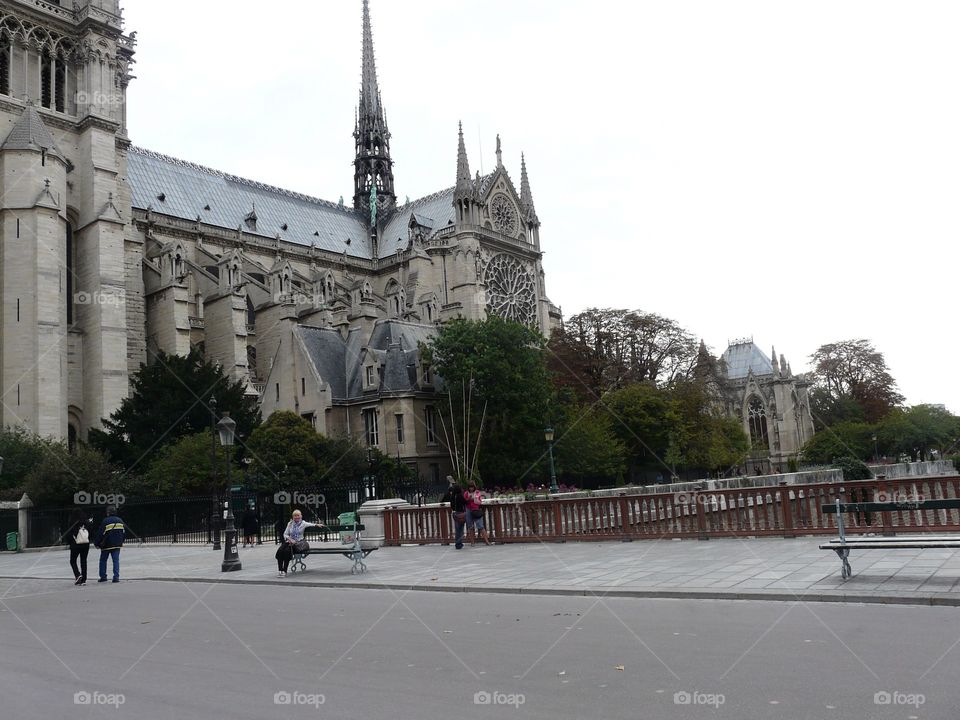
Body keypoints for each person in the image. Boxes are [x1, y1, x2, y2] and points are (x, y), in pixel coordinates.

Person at [275, 509, 324, 577]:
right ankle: (280, 570)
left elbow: (311, 524)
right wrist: (290, 539)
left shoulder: (303, 523)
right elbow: (285, 534)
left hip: (298, 543)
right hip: (290, 541)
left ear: (301, 516)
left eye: (298, 515)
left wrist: (317, 525)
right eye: (295, 515)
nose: (296, 517)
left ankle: (285, 571)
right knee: (280, 551)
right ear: (293, 517)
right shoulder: (290, 523)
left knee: (287, 551)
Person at [93, 505, 126, 583]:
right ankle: (116, 577)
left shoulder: (105, 521)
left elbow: (100, 533)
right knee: (116, 561)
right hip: (117, 544)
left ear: (108, 513)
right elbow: (124, 533)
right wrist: (121, 541)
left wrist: (96, 543)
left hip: (106, 545)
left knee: (103, 560)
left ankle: (103, 576)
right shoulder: (120, 520)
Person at [64, 508, 93, 586]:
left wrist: (70, 543)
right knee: (83, 561)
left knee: (73, 561)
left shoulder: (72, 522)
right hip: (85, 544)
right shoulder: (87, 522)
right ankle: (84, 579)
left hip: (75, 544)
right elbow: (91, 532)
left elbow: (69, 534)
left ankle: (78, 575)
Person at [441, 476, 467, 549]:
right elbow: (465, 502)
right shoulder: (460, 496)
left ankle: (457, 543)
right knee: (460, 529)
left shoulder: (453, 497)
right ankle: (459, 543)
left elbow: (451, 506)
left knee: (457, 529)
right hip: (461, 513)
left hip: (454, 513)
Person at [463, 482, 490, 546]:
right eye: (470, 487)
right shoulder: (466, 493)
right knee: (470, 526)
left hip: (476, 509)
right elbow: (464, 502)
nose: (471, 488)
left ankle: (487, 541)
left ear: (474, 487)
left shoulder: (477, 492)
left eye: (472, 487)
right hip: (468, 510)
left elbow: (480, 501)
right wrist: (468, 499)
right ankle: (472, 542)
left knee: (480, 526)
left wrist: (474, 499)